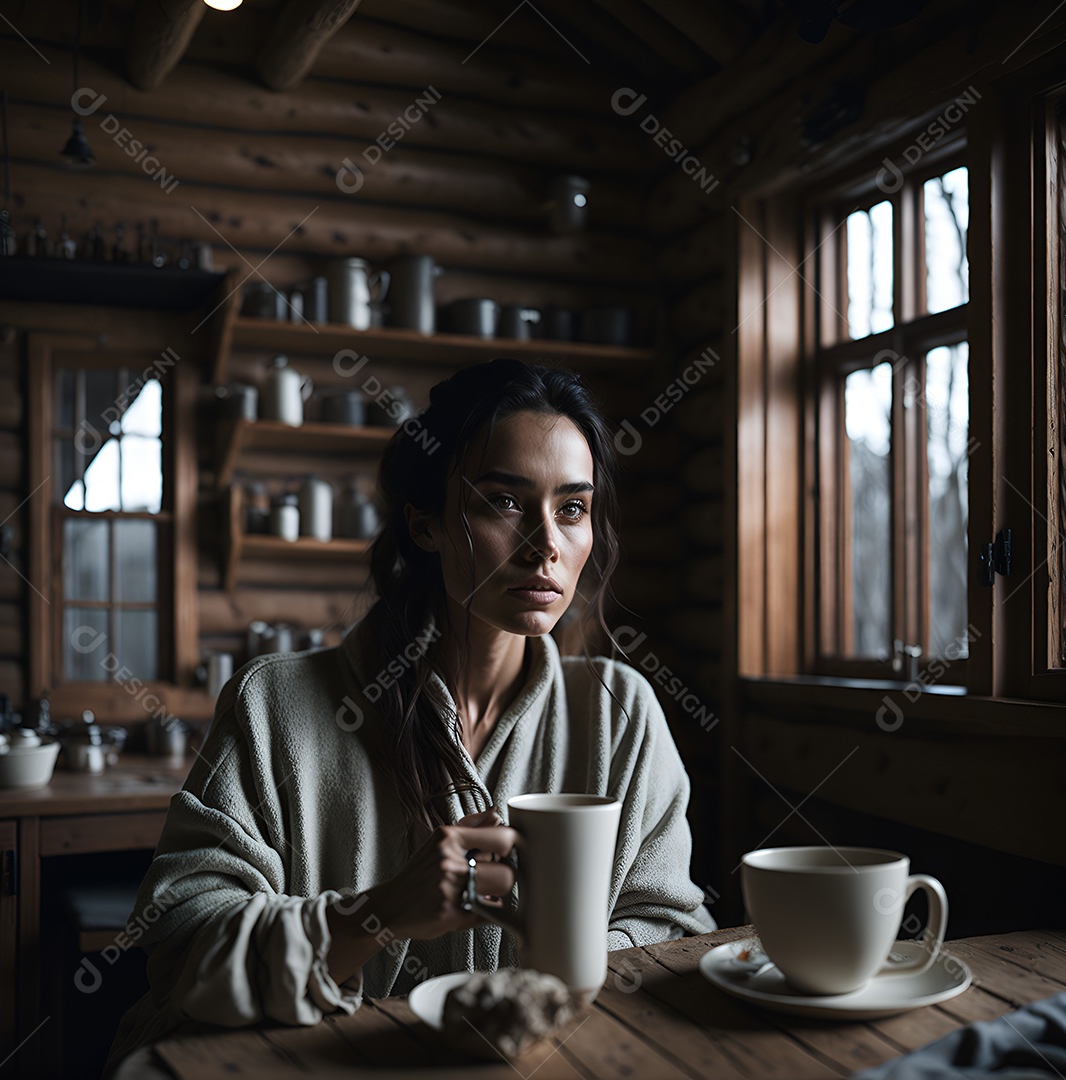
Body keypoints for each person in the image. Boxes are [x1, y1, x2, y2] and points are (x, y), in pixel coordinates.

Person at [103, 358, 715, 1077]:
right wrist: (376, 913)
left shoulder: (619, 714)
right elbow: (180, 947)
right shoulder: (274, 706)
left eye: (572, 508)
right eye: (505, 502)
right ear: (425, 525)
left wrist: (542, 973)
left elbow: (671, 931)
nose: (545, 544)